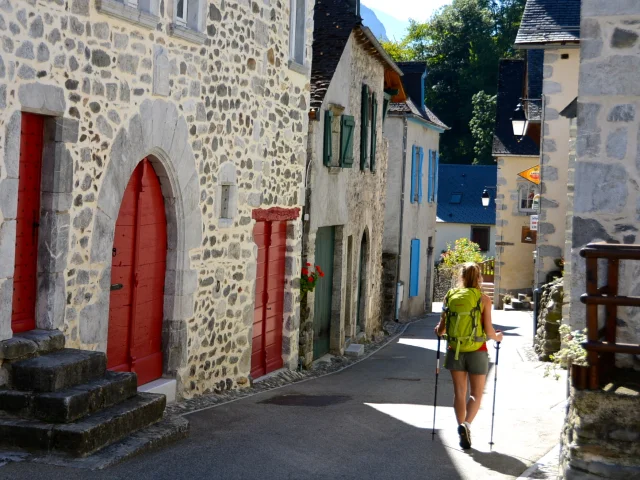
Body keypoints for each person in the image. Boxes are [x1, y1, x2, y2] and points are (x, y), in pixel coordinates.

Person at [434, 262, 503, 450]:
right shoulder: (484, 299)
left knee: (459, 393)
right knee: (476, 394)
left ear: (461, 277)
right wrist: (498, 337)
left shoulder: (450, 296)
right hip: (478, 351)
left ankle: (460, 425)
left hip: (455, 349)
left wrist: (438, 331)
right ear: (479, 277)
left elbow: (441, 329)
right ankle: (467, 425)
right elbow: (489, 331)